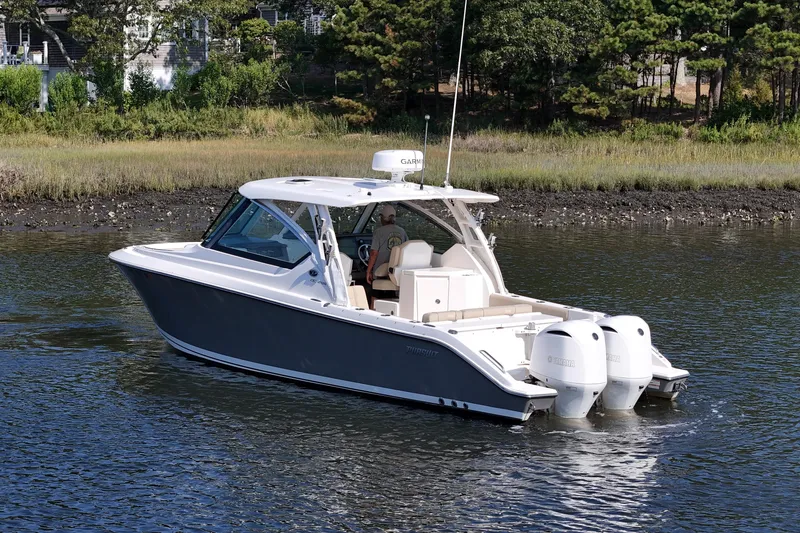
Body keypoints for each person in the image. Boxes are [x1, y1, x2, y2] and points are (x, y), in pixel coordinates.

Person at [366, 204, 408, 284]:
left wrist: (368, 271)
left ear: (382, 218)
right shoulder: (402, 232)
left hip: (380, 271)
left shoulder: (378, 232)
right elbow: (406, 251)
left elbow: (373, 254)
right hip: (396, 271)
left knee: (375, 293)